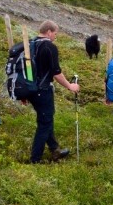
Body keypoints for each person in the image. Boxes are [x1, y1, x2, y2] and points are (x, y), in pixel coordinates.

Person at [27, 20, 80, 163]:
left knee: (46, 118)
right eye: (55, 34)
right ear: (49, 31)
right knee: (44, 123)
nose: (55, 37)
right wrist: (70, 86)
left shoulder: (30, 44)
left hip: (31, 89)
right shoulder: (49, 46)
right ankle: (35, 160)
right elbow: (56, 73)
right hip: (43, 90)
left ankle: (54, 149)